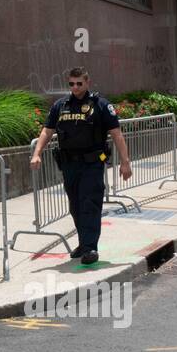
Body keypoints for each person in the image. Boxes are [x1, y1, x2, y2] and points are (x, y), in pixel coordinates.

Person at [30, 67, 133, 266]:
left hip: (92, 163)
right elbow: (47, 131)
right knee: (75, 205)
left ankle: (90, 247)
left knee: (89, 204)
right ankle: (83, 243)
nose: (75, 87)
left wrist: (125, 162)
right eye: (71, 84)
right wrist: (36, 154)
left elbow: (117, 134)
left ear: (87, 82)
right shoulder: (60, 106)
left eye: (79, 83)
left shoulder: (100, 105)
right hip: (69, 164)